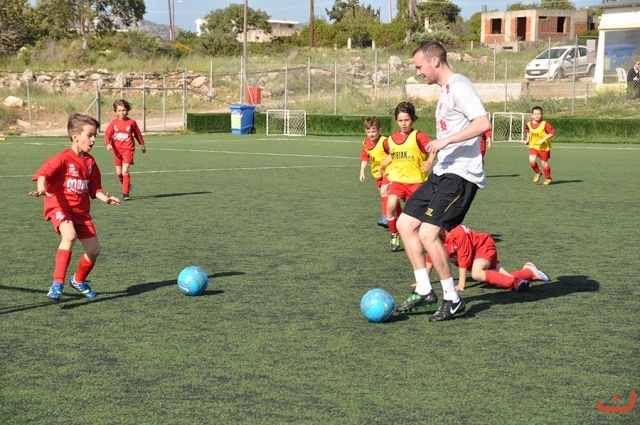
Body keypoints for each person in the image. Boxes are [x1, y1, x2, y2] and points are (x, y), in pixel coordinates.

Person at [395, 41, 492, 322]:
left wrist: (445, 141)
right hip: (442, 172)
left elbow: (482, 123)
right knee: (404, 224)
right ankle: (425, 291)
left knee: (427, 233)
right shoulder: (446, 91)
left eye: (419, 67)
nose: (418, 73)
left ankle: (452, 298)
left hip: (460, 176)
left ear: (435, 61)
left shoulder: (460, 86)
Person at [29, 113, 121, 301]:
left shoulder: (90, 162)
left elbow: (94, 188)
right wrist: (41, 189)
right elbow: (43, 174)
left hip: (81, 212)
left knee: (94, 251)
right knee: (69, 235)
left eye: (95, 135)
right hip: (60, 206)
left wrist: (105, 199)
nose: (94, 139)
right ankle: (57, 284)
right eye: (90, 135)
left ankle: (78, 280)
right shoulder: (62, 158)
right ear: (75, 137)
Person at [425, 225, 550, 293]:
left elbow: (463, 258)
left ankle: (515, 283)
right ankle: (529, 272)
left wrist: (461, 284)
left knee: (477, 274)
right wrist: (424, 280)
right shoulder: (434, 237)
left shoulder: (458, 233)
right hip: (475, 256)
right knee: (504, 276)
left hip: (483, 246)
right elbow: (431, 257)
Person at [379, 102, 433, 252]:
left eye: (407, 120)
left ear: (413, 119)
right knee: (390, 206)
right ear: (396, 120)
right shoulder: (390, 139)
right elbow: (393, 155)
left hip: (416, 182)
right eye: (400, 120)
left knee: (416, 215)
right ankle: (394, 234)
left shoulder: (419, 136)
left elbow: (433, 147)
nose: (404, 123)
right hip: (397, 180)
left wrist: (429, 160)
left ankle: (421, 238)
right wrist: (383, 165)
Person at [104, 99, 147, 201]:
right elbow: (107, 135)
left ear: (127, 110)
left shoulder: (131, 122)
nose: (121, 113)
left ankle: (125, 194)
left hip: (128, 149)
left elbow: (137, 134)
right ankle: (127, 185)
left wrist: (142, 144)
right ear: (115, 111)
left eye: (123, 110)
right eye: (119, 110)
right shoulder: (113, 123)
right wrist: (107, 144)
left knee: (125, 170)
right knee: (119, 173)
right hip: (117, 151)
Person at [358, 117, 395, 229]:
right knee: (386, 195)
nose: (371, 134)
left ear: (380, 130)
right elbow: (365, 157)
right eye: (368, 132)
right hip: (377, 174)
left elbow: (393, 153)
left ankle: (386, 217)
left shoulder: (385, 141)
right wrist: (362, 171)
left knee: (384, 192)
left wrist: (384, 165)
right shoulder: (366, 143)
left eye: (374, 131)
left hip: (390, 171)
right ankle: (394, 216)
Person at [525, 106, 555, 186]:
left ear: (542, 115)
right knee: (532, 161)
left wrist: (543, 140)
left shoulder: (545, 124)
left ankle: (548, 178)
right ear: (532, 115)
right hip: (533, 146)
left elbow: (552, 132)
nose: (537, 115)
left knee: (544, 163)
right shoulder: (528, 124)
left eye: (539, 114)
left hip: (544, 147)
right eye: (535, 114)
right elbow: (528, 131)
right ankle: (538, 172)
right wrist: (528, 139)